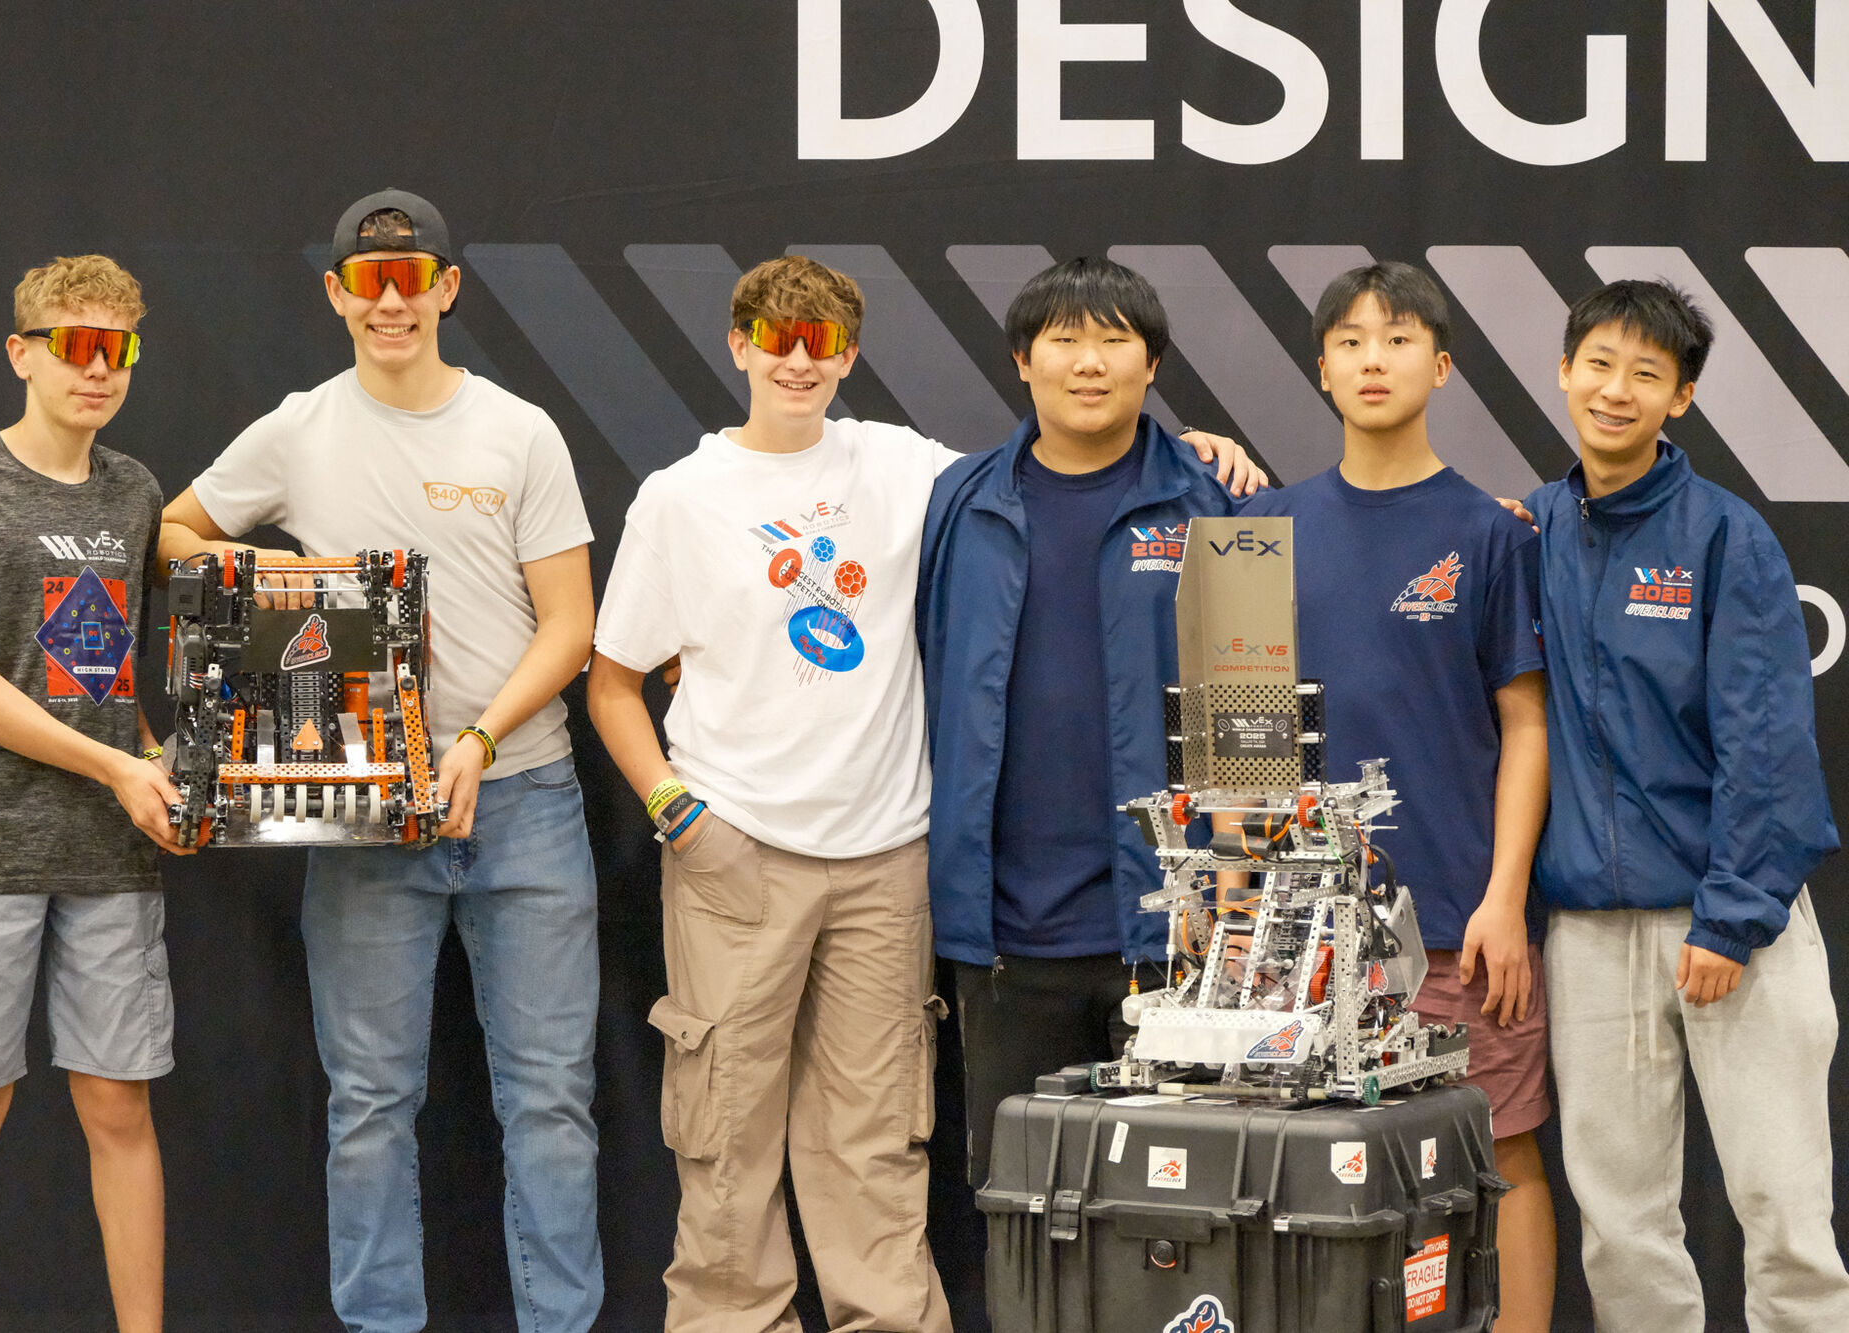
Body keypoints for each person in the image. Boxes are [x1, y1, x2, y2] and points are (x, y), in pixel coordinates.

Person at [158, 190, 603, 1333]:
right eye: (369, 281)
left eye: (411, 279)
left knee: (550, 1103)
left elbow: (570, 626)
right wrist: (293, 587)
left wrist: (478, 739)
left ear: (448, 288)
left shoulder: (519, 430)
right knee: (367, 1105)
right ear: (337, 294)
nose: (390, 300)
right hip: (362, 807)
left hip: (523, 795)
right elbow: (171, 534)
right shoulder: (298, 428)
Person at [586, 254, 955, 1333]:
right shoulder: (680, 498)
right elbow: (611, 683)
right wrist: (679, 814)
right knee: (723, 1137)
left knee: (876, 1139)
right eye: (777, 340)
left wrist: (1191, 448)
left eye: (820, 344)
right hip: (734, 853)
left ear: (848, 356)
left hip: (885, 859)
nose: (799, 362)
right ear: (739, 345)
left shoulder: (904, 464)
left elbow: (1047, 471)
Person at [1527, 278, 1849, 1332]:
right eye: (1598, 364)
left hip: (1734, 924)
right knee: (1619, 1226)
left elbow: (1768, 741)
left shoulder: (1725, 536)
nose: (1614, 390)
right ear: (1564, 370)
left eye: (1645, 373)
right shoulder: (1526, 529)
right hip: (1590, 932)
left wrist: (1731, 913)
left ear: (1681, 396)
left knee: (1783, 1212)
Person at [1240, 261, 1554, 1331]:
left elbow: (1525, 725)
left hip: (1459, 921)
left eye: (1398, 338)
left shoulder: (1490, 531)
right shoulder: (1268, 527)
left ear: (1442, 365)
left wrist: (1502, 899)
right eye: (1351, 341)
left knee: (1499, 1149)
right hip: (1301, 935)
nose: (1373, 359)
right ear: (1321, 368)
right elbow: (1243, 733)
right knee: (1308, 1168)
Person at [916, 256, 1266, 1190]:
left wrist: (1232, 900)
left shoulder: (1218, 499)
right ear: (1021, 360)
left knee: (1178, 1210)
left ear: (1152, 364)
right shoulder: (960, 501)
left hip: (1173, 929)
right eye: (1064, 339)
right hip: (1002, 932)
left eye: (1115, 340)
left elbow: (1254, 713)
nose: (1089, 361)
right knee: (1021, 1202)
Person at [0, 254, 182, 1333]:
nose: (99, 370)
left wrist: (155, 763)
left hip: (111, 855)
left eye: (120, 349)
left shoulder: (134, 492)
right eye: (77, 346)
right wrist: (115, 766)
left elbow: (107, 677)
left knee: (120, 1108)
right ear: (23, 354)